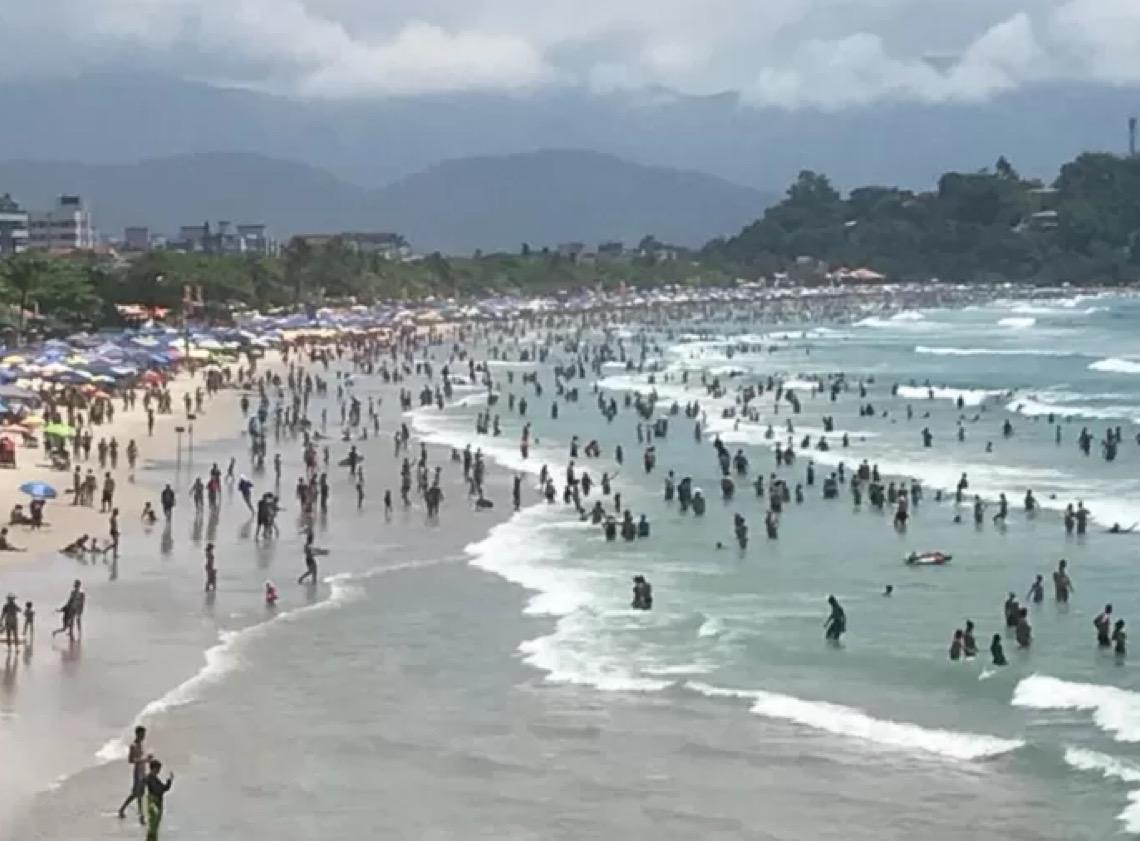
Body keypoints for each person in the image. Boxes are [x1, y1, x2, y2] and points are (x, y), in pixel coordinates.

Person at [117, 725, 149, 823]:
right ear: (138, 734)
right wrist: (144, 759)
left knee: (138, 794)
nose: (144, 736)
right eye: (142, 734)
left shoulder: (141, 745)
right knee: (137, 794)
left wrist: (146, 759)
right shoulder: (133, 745)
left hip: (143, 771)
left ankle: (124, 810)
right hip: (137, 772)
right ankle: (141, 816)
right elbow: (131, 760)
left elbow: (140, 758)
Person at [142, 758, 173, 841]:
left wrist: (169, 782)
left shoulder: (154, 778)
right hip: (153, 802)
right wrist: (167, 784)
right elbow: (159, 790)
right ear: (154, 768)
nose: (159, 771)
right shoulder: (150, 778)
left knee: (155, 825)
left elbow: (163, 789)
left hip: (156, 802)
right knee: (153, 825)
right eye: (158, 769)